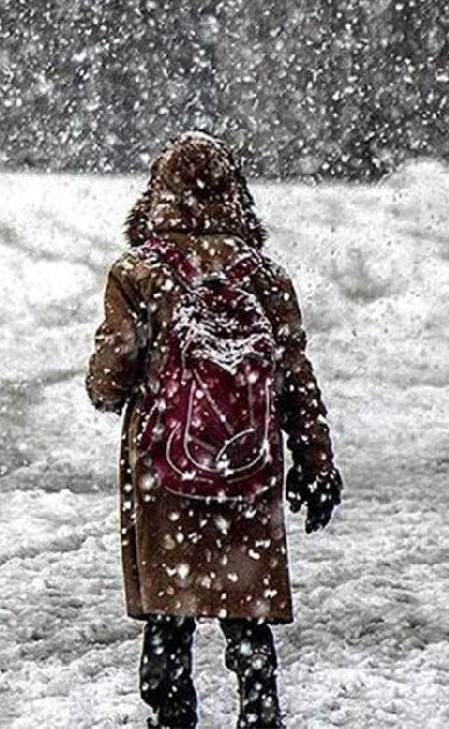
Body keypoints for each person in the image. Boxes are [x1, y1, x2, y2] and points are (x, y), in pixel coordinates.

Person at [86, 131, 342, 728]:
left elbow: (111, 376)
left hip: (164, 469)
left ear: (158, 195)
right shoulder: (265, 278)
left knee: (168, 611)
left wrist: (111, 386)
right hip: (248, 472)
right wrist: (316, 460)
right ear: (237, 195)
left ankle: (171, 713)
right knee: (244, 605)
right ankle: (259, 709)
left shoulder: (138, 274)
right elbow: (295, 378)